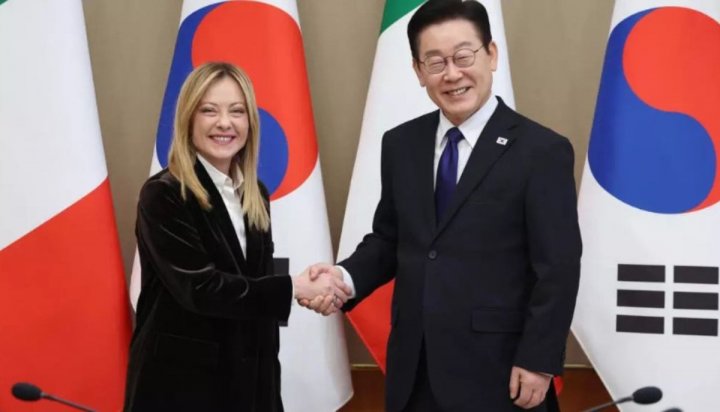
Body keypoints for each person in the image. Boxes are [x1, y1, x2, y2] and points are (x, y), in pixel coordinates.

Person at [302, 1, 582, 411]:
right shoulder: (401, 144)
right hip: (414, 369)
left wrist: (538, 359)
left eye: (463, 56)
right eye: (435, 62)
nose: (452, 74)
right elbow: (390, 240)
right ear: (419, 71)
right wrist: (342, 277)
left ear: (491, 55)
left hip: (501, 372)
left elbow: (558, 267)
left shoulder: (541, 151)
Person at [124, 62, 350, 411]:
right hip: (181, 391)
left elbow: (252, 287)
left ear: (250, 122)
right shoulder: (164, 194)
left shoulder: (255, 194)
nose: (224, 123)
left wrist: (308, 285)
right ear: (188, 119)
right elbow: (201, 290)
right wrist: (294, 288)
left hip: (250, 387)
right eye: (209, 110)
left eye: (237, 111)